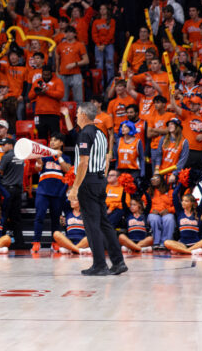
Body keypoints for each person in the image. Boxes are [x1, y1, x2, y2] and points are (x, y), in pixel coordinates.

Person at [65, 101, 127, 276]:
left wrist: (75, 187)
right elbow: (107, 159)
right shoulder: (101, 133)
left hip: (88, 181)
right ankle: (118, 261)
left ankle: (100, 265)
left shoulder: (85, 134)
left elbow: (83, 162)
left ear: (84, 115)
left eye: (77, 113)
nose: (76, 116)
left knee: (92, 225)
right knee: (104, 223)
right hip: (100, 179)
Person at [164, 191, 202, 255]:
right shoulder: (180, 212)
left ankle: (182, 251)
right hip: (182, 244)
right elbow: (174, 194)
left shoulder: (198, 212)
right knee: (166, 242)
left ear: (192, 203)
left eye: (186, 201)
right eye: (182, 200)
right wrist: (180, 182)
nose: (183, 202)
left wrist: (198, 183)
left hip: (195, 243)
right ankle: (190, 251)